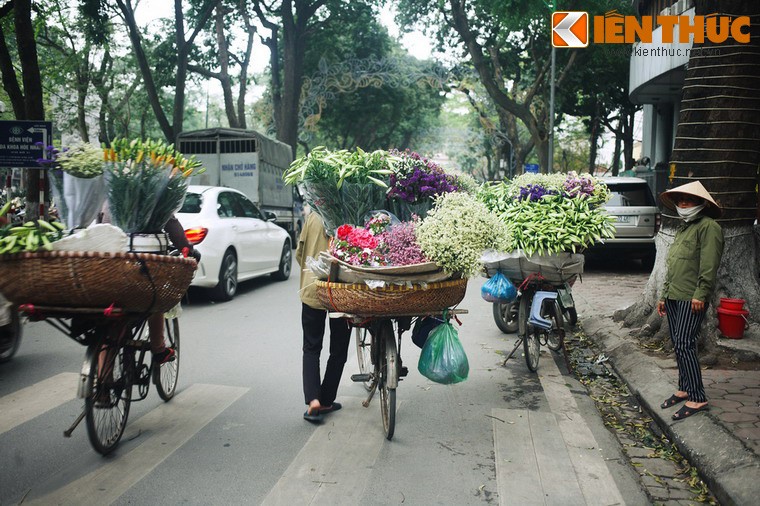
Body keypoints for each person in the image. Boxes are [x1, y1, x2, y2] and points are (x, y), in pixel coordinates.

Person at [656, 181, 724, 421]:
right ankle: (684, 388)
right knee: (677, 342)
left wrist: (701, 294)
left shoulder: (709, 227)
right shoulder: (684, 228)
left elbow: (708, 265)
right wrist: (664, 295)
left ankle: (697, 397)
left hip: (691, 297)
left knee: (685, 343)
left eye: (689, 200)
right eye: (680, 201)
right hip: (674, 295)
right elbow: (673, 265)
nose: (683, 205)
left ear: (702, 204)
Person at [296, 211, 351, 423]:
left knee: (311, 347)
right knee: (338, 348)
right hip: (342, 292)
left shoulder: (313, 217)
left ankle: (314, 401)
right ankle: (327, 398)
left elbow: (300, 252)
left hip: (313, 289)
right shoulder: (345, 213)